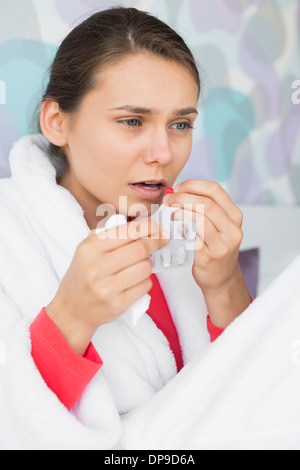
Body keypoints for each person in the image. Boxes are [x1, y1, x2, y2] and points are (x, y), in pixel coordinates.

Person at [0, 7, 252, 450]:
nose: (162, 153)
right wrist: (69, 320)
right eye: (133, 121)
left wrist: (226, 285)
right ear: (57, 121)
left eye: (180, 124)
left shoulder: (191, 232)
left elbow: (262, 401)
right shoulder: (9, 231)